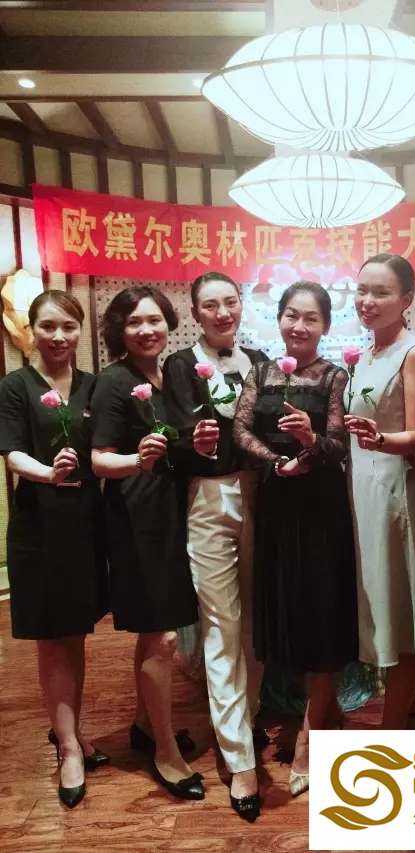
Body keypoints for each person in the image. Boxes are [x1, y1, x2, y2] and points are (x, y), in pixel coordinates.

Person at [233, 281, 358, 797]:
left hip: (320, 509)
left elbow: (340, 444)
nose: (299, 326)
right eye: (290, 315)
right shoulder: (261, 373)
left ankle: (309, 737)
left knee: (321, 618)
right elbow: (241, 430)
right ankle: (309, 711)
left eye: (310, 318)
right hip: (276, 506)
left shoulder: (334, 375)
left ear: (325, 326)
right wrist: (276, 461)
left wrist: (308, 444)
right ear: (279, 320)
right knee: (287, 614)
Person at [90, 285, 204, 800]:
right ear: (119, 329)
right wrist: (140, 459)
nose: (146, 330)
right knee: (161, 637)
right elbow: (99, 460)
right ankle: (165, 750)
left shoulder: (169, 374)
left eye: (154, 320)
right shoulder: (114, 381)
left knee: (160, 632)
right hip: (138, 519)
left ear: (168, 323)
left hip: (173, 513)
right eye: (134, 322)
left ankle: (143, 724)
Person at [163, 271, 267, 823]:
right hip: (209, 496)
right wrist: (195, 442)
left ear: (241, 304)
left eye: (230, 302)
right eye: (210, 305)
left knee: (255, 617)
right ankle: (239, 758)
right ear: (195, 313)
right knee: (221, 621)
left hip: (262, 494)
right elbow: (180, 439)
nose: (222, 312)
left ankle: (246, 721)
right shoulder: (181, 365)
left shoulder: (261, 362)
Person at [0, 290, 109, 808]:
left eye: (68, 326)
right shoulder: (15, 386)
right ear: (32, 331)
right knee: (51, 637)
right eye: (48, 327)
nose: (59, 336)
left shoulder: (94, 385)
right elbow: (12, 453)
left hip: (85, 521)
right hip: (38, 522)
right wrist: (49, 473)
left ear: (80, 329)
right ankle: (67, 746)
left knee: (75, 632)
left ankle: (73, 731)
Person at [344, 253, 415, 730]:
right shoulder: (364, 356)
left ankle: (392, 730)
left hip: (391, 494)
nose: (367, 300)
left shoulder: (414, 353)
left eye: (380, 292)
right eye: (362, 290)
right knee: (380, 603)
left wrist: (379, 439)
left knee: (398, 612)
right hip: (360, 489)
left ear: (406, 299)